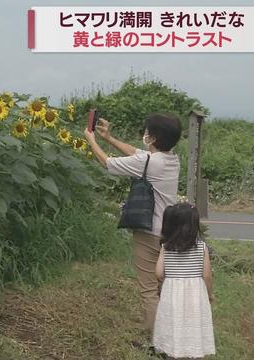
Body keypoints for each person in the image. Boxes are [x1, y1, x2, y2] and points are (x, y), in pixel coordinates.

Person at [84, 113, 182, 337]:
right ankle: (170, 332)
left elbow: (106, 163)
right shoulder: (171, 160)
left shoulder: (149, 162)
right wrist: (109, 138)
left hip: (149, 234)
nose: (144, 134)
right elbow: (138, 154)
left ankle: (154, 340)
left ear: (153, 138)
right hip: (169, 231)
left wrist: (91, 139)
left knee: (148, 288)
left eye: (147, 131)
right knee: (162, 285)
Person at [154, 203, 215, 359]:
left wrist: (166, 282)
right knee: (194, 325)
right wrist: (210, 294)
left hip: (172, 294)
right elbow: (207, 276)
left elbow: (159, 273)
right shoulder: (202, 247)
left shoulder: (166, 247)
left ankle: (173, 353)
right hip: (196, 295)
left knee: (173, 323)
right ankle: (194, 353)